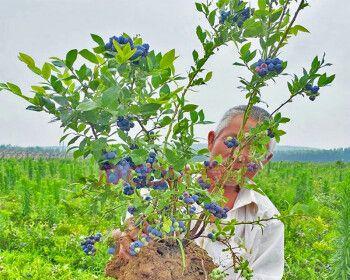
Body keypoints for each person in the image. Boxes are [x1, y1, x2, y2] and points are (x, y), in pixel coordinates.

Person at [114, 105, 284, 280]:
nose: (239, 155)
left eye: (255, 150)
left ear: (266, 160)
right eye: (232, 141)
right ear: (211, 141)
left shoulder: (268, 220)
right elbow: (127, 239)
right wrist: (127, 236)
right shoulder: (164, 191)